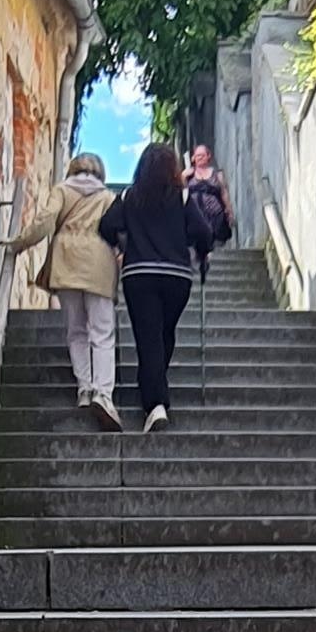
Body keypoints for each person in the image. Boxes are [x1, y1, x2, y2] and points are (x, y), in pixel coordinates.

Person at [12, 146, 124, 423]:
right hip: (99, 263)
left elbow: (44, 221)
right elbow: (121, 232)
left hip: (66, 262)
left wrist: (20, 244)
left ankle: (84, 389)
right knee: (102, 331)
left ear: (73, 168)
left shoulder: (62, 190)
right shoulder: (109, 197)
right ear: (100, 173)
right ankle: (103, 393)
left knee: (76, 330)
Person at [96, 140, 198, 432]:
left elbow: (106, 225)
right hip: (177, 276)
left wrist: (122, 246)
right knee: (164, 333)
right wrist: (192, 246)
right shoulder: (183, 197)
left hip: (139, 274)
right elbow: (203, 230)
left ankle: (154, 402)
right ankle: (154, 393)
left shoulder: (129, 196)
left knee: (149, 336)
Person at [182, 144, 235, 284]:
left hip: (214, 213)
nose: (199, 158)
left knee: (212, 239)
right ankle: (199, 262)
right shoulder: (189, 175)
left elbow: (224, 192)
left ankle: (206, 261)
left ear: (208, 156)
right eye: (197, 155)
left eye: (202, 155)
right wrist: (183, 176)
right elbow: (179, 190)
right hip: (195, 214)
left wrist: (229, 210)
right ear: (193, 158)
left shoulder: (217, 174)